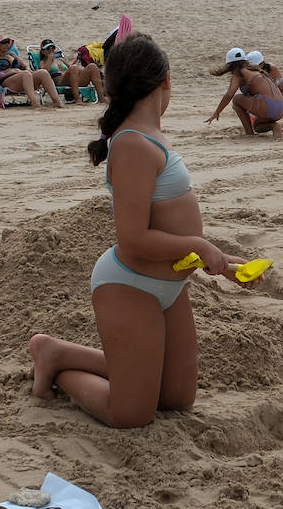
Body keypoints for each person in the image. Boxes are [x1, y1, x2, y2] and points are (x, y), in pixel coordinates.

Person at [28, 34, 262, 427]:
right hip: (130, 284)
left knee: (175, 399)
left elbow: (170, 226)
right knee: (131, 413)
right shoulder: (133, 144)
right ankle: (55, 361)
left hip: (168, 286)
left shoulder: (150, 135)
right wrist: (200, 244)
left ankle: (66, 353)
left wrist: (222, 261)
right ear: (165, 80)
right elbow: (133, 239)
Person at [206, 47, 283, 137]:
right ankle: (274, 126)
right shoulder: (256, 70)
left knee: (236, 100)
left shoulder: (239, 74)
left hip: (268, 106)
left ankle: (249, 133)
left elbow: (229, 95)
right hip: (281, 107)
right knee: (257, 126)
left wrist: (217, 112)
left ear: (229, 65)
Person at [0, 32, 62, 109]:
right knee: (26, 74)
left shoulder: (12, 55)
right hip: (6, 82)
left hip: (24, 78)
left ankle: (57, 102)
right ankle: (35, 103)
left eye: (8, 42)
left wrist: (30, 71)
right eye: (4, 42)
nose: (7, 44)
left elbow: (25, 66)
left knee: (43, 73)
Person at [41, 38, 104, 103]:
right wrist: (49, 59)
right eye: (48, 48)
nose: (51, 50)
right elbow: (43, 73)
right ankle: (77, 99)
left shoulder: (60, 60)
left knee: (92, 66)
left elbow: (71, 67)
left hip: (73, 80)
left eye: (53, 48)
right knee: (73, 68)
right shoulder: (43, 62)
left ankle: (101, 98)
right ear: (43, 51)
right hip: (60, 82)